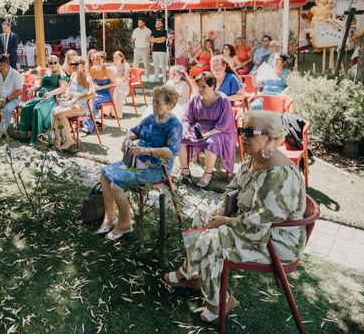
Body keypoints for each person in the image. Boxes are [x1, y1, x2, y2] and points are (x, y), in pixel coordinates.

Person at [164, 110, 306, 325]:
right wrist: (220, 212)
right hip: (253, 226)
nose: (243, 136)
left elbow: (257, 227)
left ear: (270, 138)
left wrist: (225, 222)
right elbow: (233, 188)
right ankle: (193, 274)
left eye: (249, 132)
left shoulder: (278, 175)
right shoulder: (255, 159)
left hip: (275, 242)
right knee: (203, 217)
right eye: (241, 130)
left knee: (210, 240)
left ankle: (219, 301)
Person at [97, 85, 182, 241]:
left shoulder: (174, 125)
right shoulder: (151, 118)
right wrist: (127, 139)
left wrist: (146, 151)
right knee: (104, 174)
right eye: (153, 102)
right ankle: (110, 217)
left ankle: (125, 224)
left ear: (170, 105)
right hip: (137, 160)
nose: (154, 106)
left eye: (159, 103)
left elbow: (172, 151)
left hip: (156, 167)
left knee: (117, 185)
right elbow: (134, 131)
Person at [179, 72, 237, 188]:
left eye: (203, 86)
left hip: (219, 130)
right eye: (198, 86)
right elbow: (187, 118)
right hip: (198, 128)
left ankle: (207, 174)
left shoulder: (223, 100)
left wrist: (208, 134)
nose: (200, 89)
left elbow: (225, 124)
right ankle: (185, 170)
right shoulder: (195, 98)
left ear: (212, 86)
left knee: (211, 143)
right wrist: (185, 128)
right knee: (180, 138)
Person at [19, 55, 69, 145]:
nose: (53, 65)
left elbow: (62, 88)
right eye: (50, 63)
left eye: (55, 63)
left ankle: (38, 135)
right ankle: (24, 132)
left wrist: (51, 93)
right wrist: (32, 89)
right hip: (41, 97)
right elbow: (40, 85)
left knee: (37, 109)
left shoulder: (61, 73)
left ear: (58, 63)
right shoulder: (47, 72)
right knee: (25, 106)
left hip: (52, 99)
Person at [51, 57, 94, 151]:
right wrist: (66, 96)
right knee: (55, 112)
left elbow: (92, 93)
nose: (74, 66)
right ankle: (58, 138)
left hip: (83, 106)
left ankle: (68, 140)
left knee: (60, 114)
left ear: (83, 66)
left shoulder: (86, 77)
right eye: (73, 64)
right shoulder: (73, 75)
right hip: (72, 103)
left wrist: (76, 100)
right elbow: (69, 90)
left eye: (77, 64)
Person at [82, 51, 117, 133]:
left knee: (93, 101)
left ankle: (88, 127)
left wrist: (101, 87)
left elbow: (114, 83)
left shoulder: (108, 70)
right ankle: (83, 122)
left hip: (106, 94)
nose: (96, 61)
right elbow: (89, 81)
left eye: (98, 59)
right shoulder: (93, 69)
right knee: (84, 99)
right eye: (94, 60)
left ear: (103, 59)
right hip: (95, 92)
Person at [107, 51, 130, 118]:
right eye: (114, 58)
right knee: (111, 88)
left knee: (116, 89)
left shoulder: (125, 65)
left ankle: (117, 113)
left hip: (123, 84)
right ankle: (109, 111)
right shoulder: (112, 67)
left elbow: (126, 77)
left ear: (121, 57)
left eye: (117, 57)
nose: (115, 59)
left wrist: (117, 79)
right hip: (115, 84)